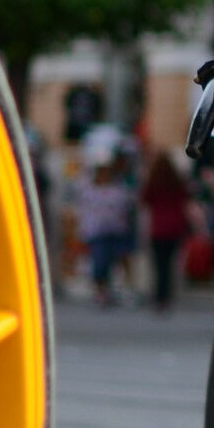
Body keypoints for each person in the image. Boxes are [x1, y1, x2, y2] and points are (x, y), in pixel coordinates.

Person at [74, 130, 134, 306]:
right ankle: (101, 290)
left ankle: (115, 289)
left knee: (116, 260)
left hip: (115, 229)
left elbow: (124, 205)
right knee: (99, 261)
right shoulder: (89, 188)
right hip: (97, 230)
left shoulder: (118, 187)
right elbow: (84, 208)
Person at [139, 148, 196, 310]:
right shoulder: (176, 182)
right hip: (174, 228)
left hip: (158, 229)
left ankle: (159, 295)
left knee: (159, 264)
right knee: (170, 264)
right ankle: (167, 295)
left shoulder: (153, 182)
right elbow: (186, 198)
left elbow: (144, 200)